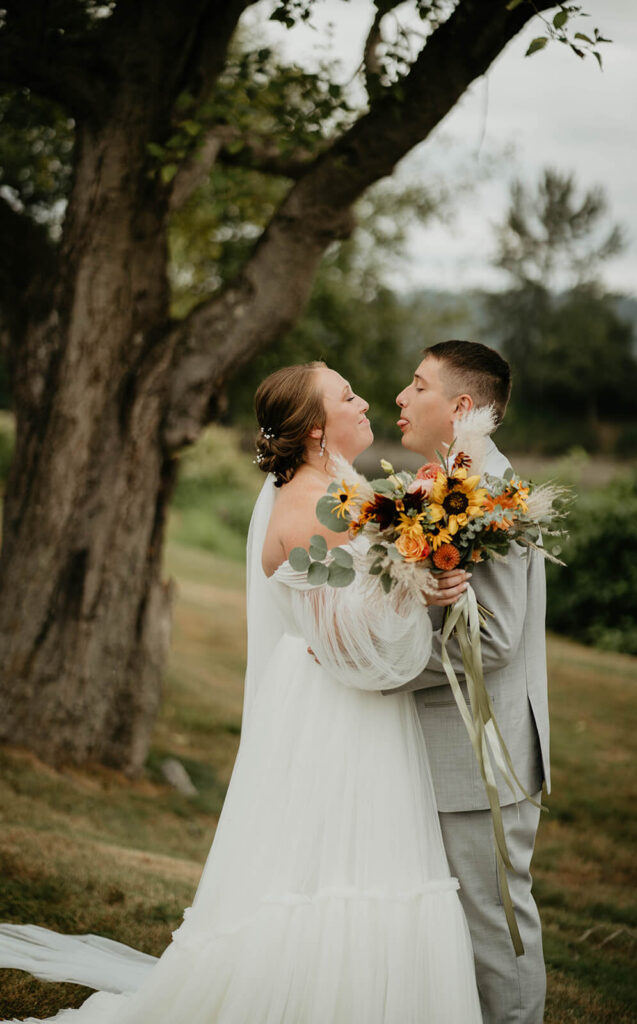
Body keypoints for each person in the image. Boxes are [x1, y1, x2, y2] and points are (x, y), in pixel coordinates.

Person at [0, 362, 483, 1023]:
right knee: (339, 867)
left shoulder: (335, 487)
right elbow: (357, 653)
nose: (364, 400)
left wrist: (412, 575)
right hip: (337, 711)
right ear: (316, 429)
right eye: (347, 396)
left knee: (326, 867)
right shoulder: (315, 506)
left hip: (322, 700)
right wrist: (418, 591)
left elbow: (347, 619)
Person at [390, 340, 550, 1024]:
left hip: (481, 752)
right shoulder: (454, 478)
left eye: (417, 385)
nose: (400, 396)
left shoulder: (489, 492)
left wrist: (379, 670)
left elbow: (492, 638)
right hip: (448, 749)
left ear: (460, 406)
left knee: (492, 926)